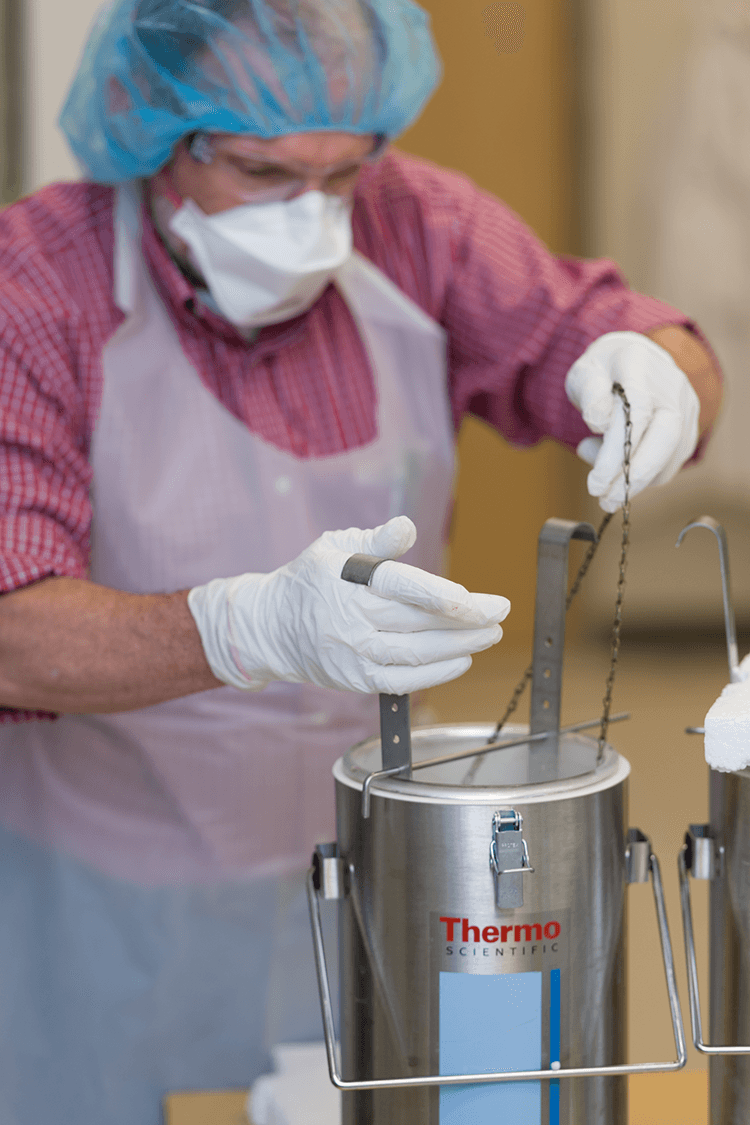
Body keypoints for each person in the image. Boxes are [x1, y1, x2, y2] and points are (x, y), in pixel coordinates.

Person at [0, 1, 721, 1122]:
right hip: (102, 907)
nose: (313, 221)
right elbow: (13, 636)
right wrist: (247, 628)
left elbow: (620, 329)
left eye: (342, 175)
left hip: (367, 889)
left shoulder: (415, 227)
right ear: (155, 127)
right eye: (261, 171)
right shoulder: (35, 288)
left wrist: (661, 370)